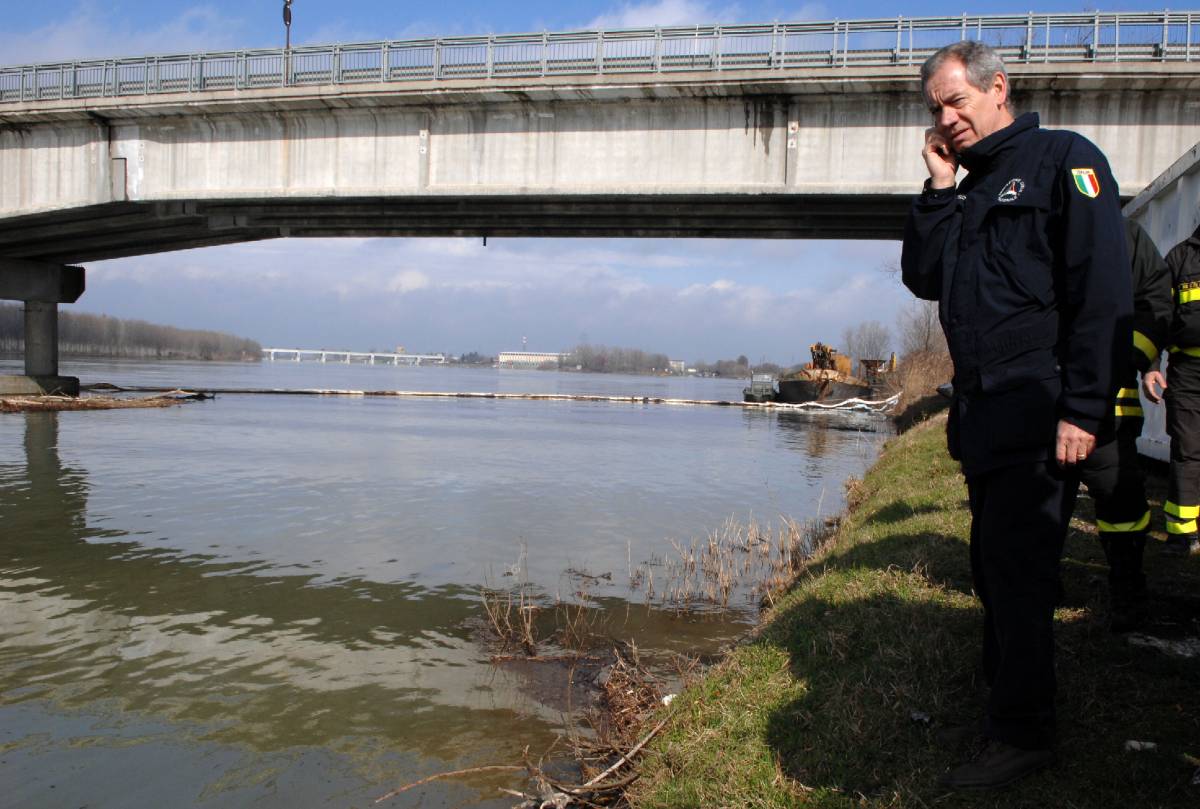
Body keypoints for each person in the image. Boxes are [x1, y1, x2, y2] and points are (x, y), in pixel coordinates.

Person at [901, 41, 1131, 790]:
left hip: (1041, 412)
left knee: (1021, 570)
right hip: (986, 420)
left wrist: (1085, 409)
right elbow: (925, 277)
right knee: (992, 566)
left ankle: (1023, 732)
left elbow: (1102, 295)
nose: (946, 117)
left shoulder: (1064, 161)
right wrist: (937, 189)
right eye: (936, 107)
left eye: (956, 100)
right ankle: (1001, 685)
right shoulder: (967, 190)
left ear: (998, 88)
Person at [1078, 218, 1172, 631]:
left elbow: (1156, 301)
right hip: (1037, 401)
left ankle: (1128, 593)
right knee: (1037, 504)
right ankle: (1035, 591)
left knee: (1122, 504)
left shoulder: (1121, 233)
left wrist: (1125, 360)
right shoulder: (1028, 221)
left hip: (1109, 410)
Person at [1143, 220, 1200, 557]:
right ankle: (1182, 534)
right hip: (1188, 374)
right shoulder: (1180, 258)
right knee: (1188, 451)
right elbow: (1158, 317)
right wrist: (1150, 366)